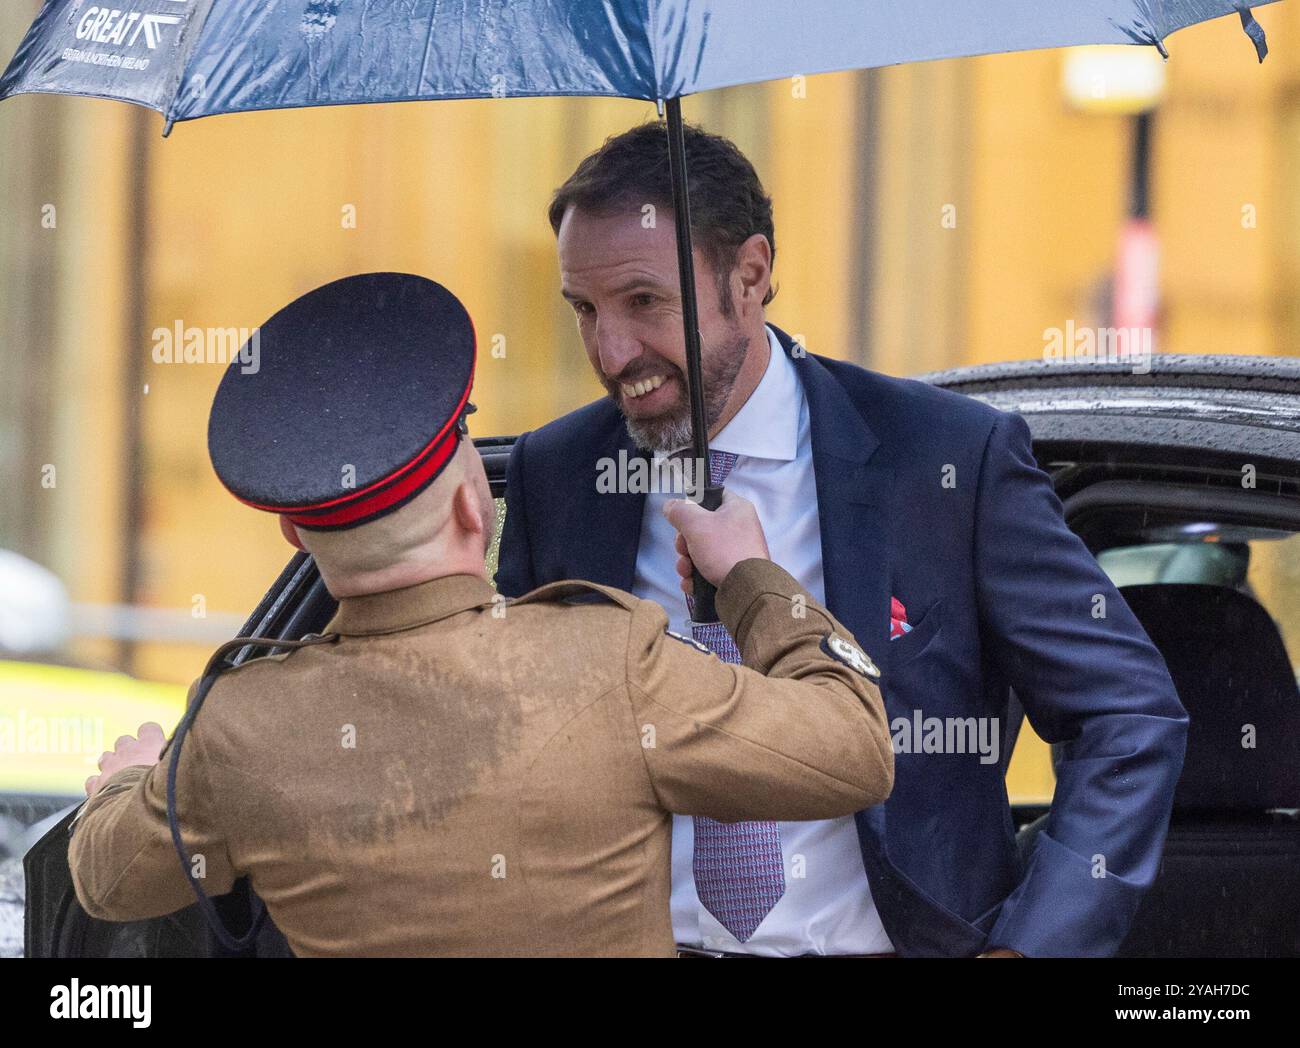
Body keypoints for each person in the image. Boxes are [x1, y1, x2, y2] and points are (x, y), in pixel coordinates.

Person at [496, 123, 1190, 957]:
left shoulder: (944, 461)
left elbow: (1129, 713)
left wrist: (1034, 947)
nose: (611, 352)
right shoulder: (558, 473)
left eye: (644, 302)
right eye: (583, 309)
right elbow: (514, 756)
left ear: (748, 276)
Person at [68, 272, 894, 957]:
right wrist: (751, 577)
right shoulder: (613, 664)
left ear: (293, 530)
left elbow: (107, 883)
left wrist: (127, 786)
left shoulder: (239, 729)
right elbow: (854, 748)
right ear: (475, 507)